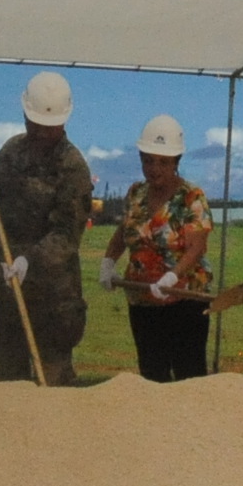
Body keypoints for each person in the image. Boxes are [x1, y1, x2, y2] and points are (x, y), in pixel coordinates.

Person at [0, 71, 93, 385]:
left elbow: (67, 234)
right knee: (7, 387)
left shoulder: (73, 166)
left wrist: (30, 262)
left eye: (47, 128)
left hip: (53, 303)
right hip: (9, 294)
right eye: (33, 123)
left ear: (63, 123)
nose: (38, 131)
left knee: (52, 390)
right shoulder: (12, 151)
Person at [99, 114, 214, 382]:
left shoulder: (191, 197)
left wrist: (173, 276)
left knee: (189, 375)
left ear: (176, 162)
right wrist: (108, 262)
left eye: (163, 162)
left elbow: (197, 246)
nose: (154, 168)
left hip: (185, 300)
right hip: (142, 301)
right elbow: (123, 233)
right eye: (148, 160)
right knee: (151, 376)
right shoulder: (135, 193)